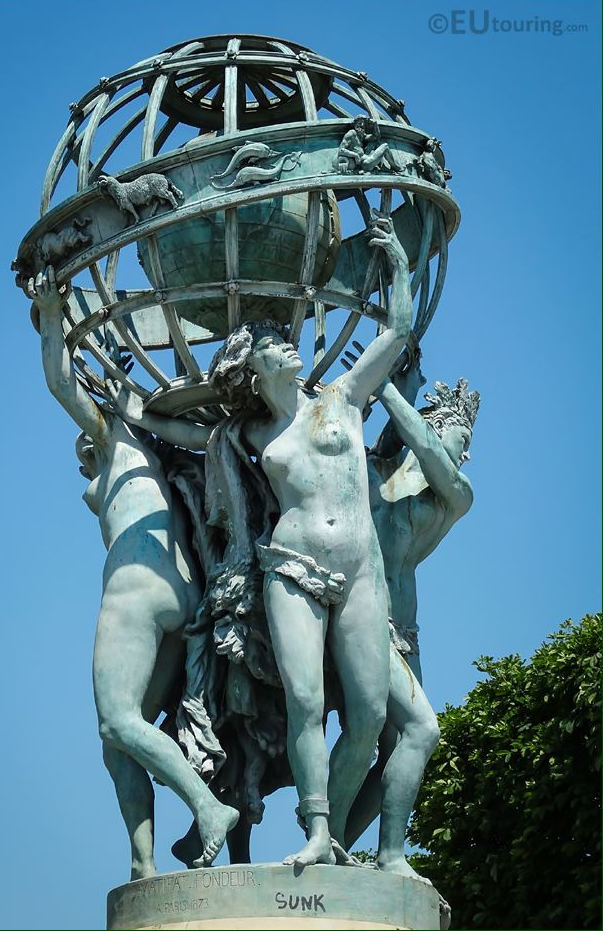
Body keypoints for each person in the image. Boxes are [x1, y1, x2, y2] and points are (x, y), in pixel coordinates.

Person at [111, 213, 413, 866]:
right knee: (305, 704)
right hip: (290, 570)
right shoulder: (245, 437)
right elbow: (180, 434)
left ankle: (330, 835)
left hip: (360, 570)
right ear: (253, 367)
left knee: (363, 715)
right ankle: (315, 831)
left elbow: (395, 332)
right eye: (275, 342)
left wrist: (396, 269)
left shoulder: (342, 396)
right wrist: (123, 408)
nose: (289, 343)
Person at [28, 267, 239, 877]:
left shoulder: (118, 431)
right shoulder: (156, 446)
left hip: (136, 587)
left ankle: (206, 808)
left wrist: (49, 321)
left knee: (115, 720)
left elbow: (59, 385)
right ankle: (143, 864)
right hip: (182, 590)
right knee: (120, 737)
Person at [344, 353, 480, 881]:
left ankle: (342, 843)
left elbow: (429, 452)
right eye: (461, 439)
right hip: (361, 619)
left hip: (406, 635)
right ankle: (379, 852)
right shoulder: (376, 473)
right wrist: (390, 387)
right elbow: (399, 442)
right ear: (434, 427)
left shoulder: (455, 496)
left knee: (399, 746)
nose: (465, 453)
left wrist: (383, 386)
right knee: (418, 732)